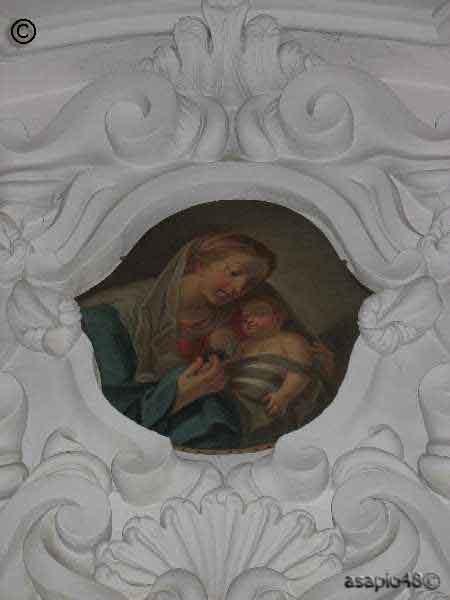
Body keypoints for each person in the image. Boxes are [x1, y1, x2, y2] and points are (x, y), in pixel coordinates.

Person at [79, 232, 276, 449]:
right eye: (234, 273)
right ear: (200, 264)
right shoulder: (112, 317)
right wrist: (178, 394)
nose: (239, 289)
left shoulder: (232, 319)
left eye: (250, 284)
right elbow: (110, 414)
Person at [206, 291, 336, 447]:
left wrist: (284, 395)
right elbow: (231, 367)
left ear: (278, 318)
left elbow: (300, 371)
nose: (249, 319)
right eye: (245, 317)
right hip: (236, 396)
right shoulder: (244, 345)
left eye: (259, 313)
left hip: (263, 404)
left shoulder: (289, 340)